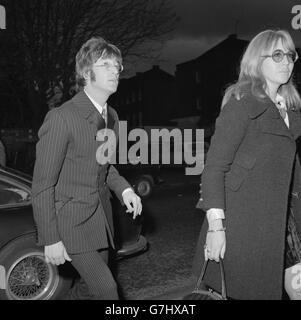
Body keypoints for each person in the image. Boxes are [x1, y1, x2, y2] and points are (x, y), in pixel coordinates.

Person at [193, 29, 301, 300]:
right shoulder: (242, 105)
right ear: (256, 61)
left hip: (285, 221)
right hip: (245, 224)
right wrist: (216, 228)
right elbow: (215, 168)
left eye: (290, 55)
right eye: (277, 55)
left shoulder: (290, 111)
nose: (286, 61)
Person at [32, 37, 142, 300]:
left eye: (117, 65)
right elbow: (42, 185)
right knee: (106, 290)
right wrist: (50, 238)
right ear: (85, 73)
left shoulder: (111, 116)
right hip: (69, 223)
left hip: (100, 220)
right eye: (106, 64)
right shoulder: (62, 117)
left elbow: (104, 167)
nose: (115, 70)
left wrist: (125, 190)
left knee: (84, 290)